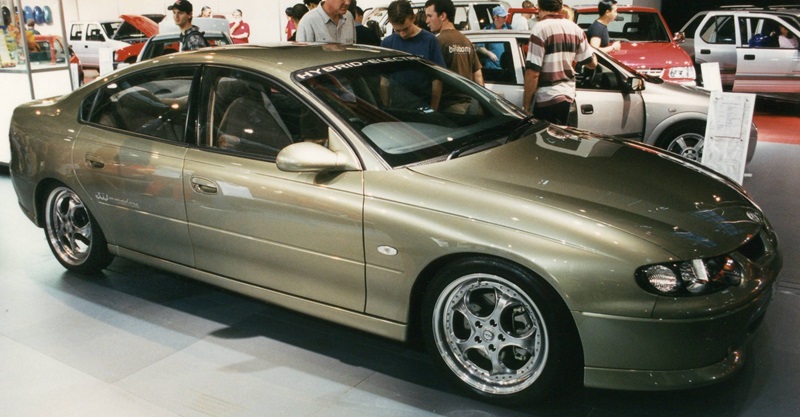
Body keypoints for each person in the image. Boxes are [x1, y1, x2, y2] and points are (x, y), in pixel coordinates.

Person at [522, 0, 596, 124]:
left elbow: (533, 72)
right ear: (561, 7)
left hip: (547, 99)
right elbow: (591, 63)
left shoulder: (540, 29)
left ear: (539, 7)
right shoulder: (575, 29)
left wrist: (525, 106)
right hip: (568, 97)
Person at [380, 0, 445, 110]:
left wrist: (433, 109)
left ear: (413, 18)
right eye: (397, 30)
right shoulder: (387, 43)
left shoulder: (429, 41)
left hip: (424, 106)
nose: (403, 34)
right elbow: (384, 81)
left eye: (406, 28)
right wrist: (386, 109)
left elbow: (437, 79)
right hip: (398, 108)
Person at [424, 0, 483, 86]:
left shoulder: (436, 41)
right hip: (468, 98)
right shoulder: (466, 41)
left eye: (430, 16)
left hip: (445, 99)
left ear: (443, 16)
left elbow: (431, 77)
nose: (426, 21)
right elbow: (478, 77)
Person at [477, 6, 511, 70]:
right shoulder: (487, 30)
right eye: (503, 17)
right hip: (492, 68)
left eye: (506, 16)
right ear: (495, 17)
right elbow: (479, 47)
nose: (506, 18)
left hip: (507, 67)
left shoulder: (509, 28)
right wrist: (489, 53)